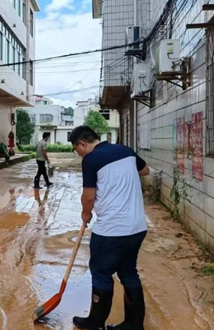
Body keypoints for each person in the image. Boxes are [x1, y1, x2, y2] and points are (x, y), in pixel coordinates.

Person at [69, 126, 149, 330]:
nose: (77, 154)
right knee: (129, 273)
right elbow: (145, 170)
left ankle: (95, 323)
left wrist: (85, 214)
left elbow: (89, 196)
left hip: (111, 230)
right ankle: (133, 324)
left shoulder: (91, 159)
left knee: (101, 273)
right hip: (137, 227)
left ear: (82, 144)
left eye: (75, 149)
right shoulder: (126, 151)